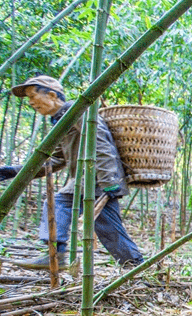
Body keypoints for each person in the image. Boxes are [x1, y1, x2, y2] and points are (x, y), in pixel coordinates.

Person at [0, 75, 143, 269]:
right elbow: (56, 159)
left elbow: (101, 143)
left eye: (33, 96)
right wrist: (15, 171)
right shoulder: (62, 120)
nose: (31, 102)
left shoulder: (78, 111)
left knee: (108, 227)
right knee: (60, 203)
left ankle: (135, 265)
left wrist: (109, 181)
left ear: (52, 95)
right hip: (83, 182)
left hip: (99, 179)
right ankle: (55, 254)